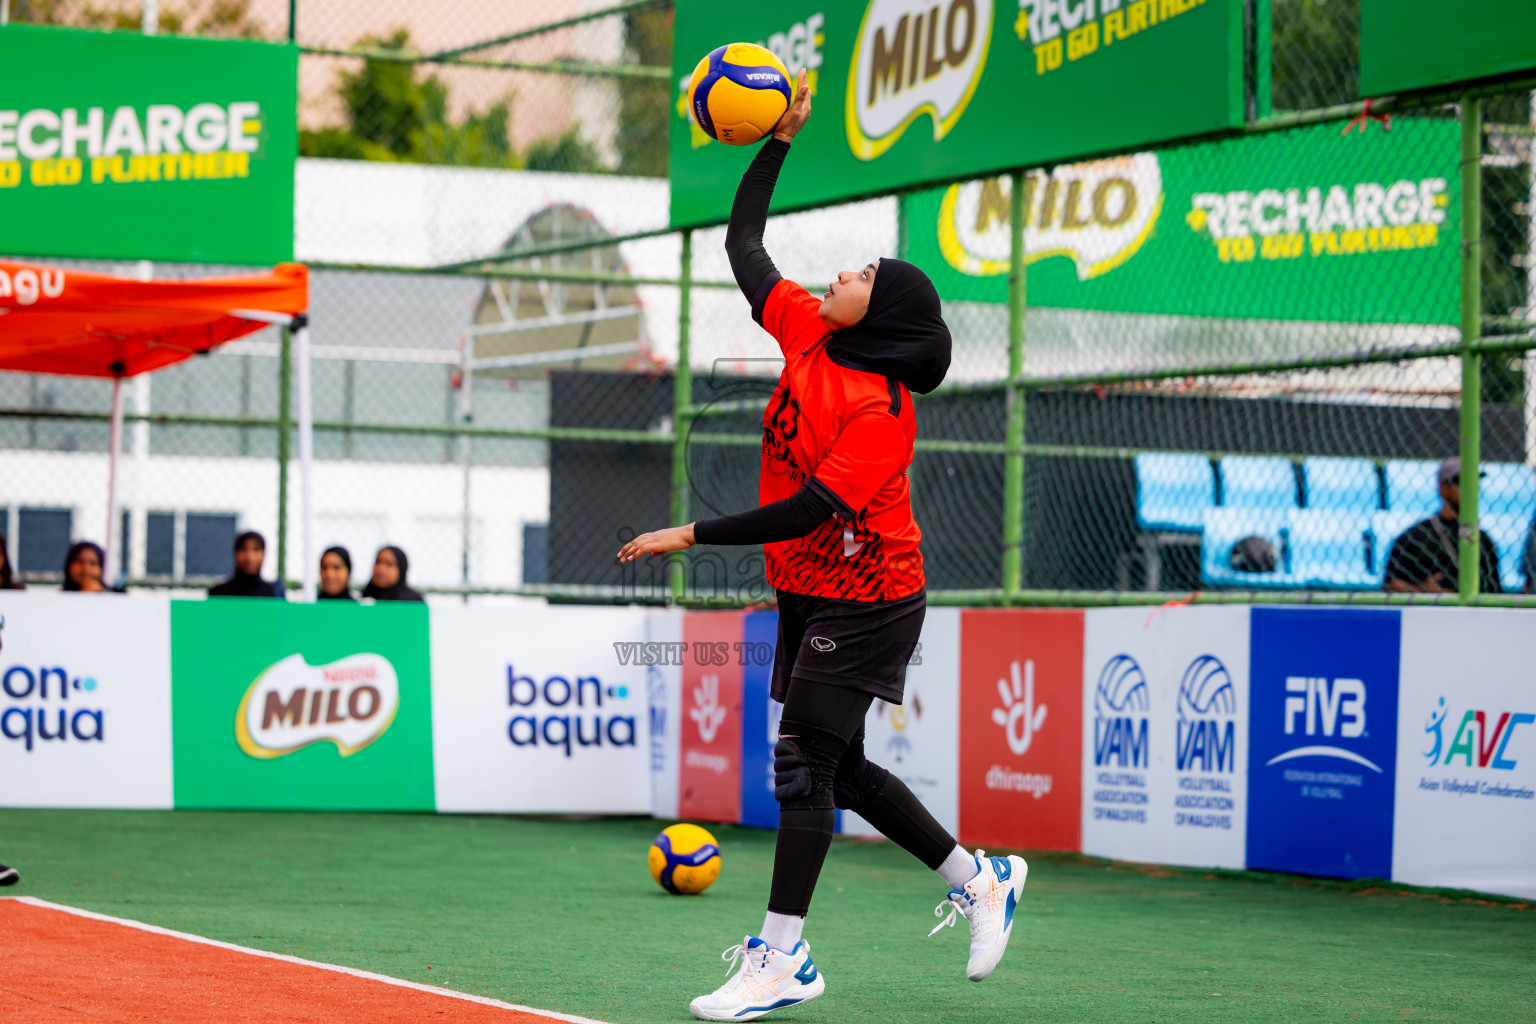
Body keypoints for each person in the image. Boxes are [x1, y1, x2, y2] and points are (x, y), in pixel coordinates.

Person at [617, 73, 1025, 1022]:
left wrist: (692, 532)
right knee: (833, 769)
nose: (844, 271)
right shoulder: (804, 328)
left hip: (873, 594)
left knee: (800, 759)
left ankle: (784, 959)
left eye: (864, 275)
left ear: (879, 316)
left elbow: (809, 508)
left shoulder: (882, 412)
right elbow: (742, 241)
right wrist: (780, 140)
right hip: (806, 588)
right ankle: (980, 876)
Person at [1384, 457, 1502, 594]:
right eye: (1462, 483)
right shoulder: (1414, 537)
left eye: (1475, 484)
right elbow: (1389, 586)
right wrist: (1424, 590)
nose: (1471, 490)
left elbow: (1496, 591)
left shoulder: (1484, 540)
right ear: (1443, 488)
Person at [208, 531, 284, 598]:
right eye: (243, 549)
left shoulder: (274, 594)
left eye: (256, 549)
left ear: (263, 554)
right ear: (236, 553)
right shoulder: (219, 594)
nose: (250, 557)